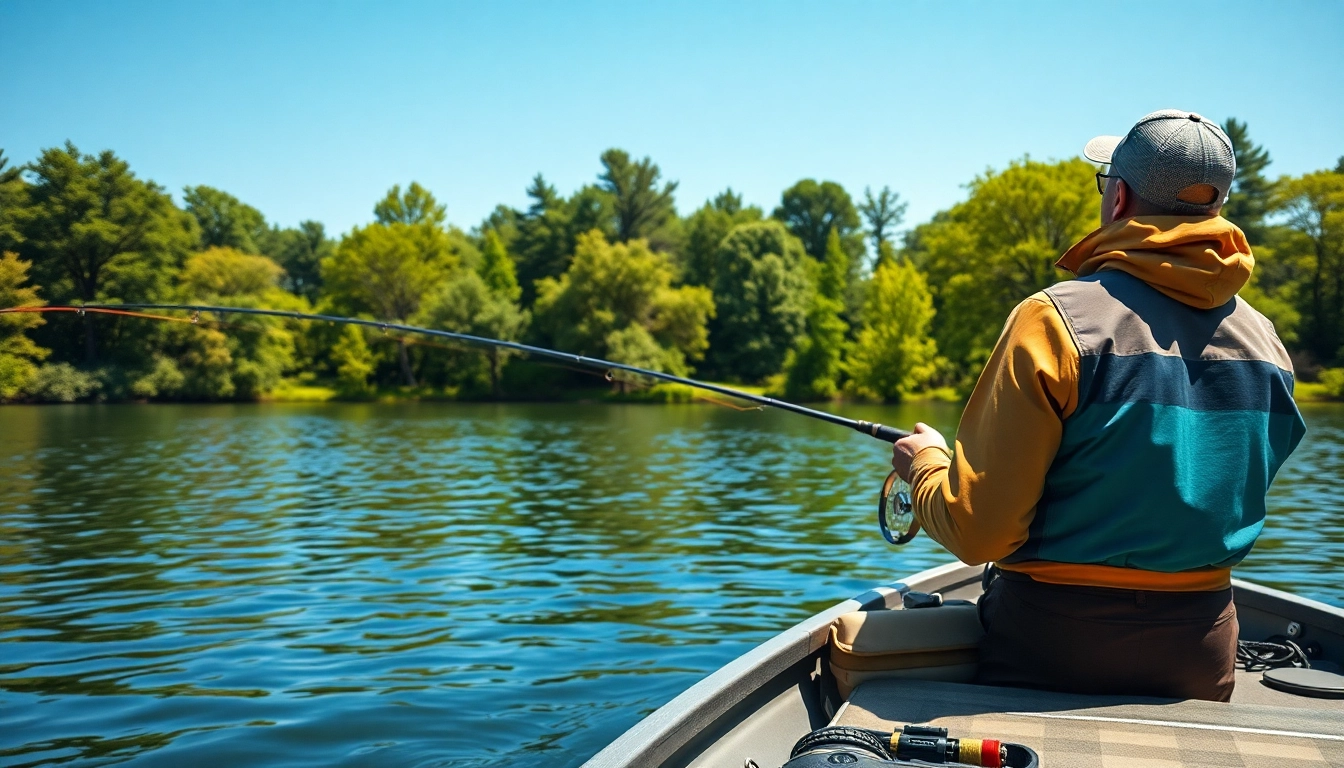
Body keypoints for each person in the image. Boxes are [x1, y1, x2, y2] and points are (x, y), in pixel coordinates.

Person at [889, 110, 1306, 702]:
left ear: (1119, 199)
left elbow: (981, 532)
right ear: (1214, 208)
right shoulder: (1268, 343)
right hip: (1202, 649)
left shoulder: (1053, 320)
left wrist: (928, 467)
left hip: (1052, 643)